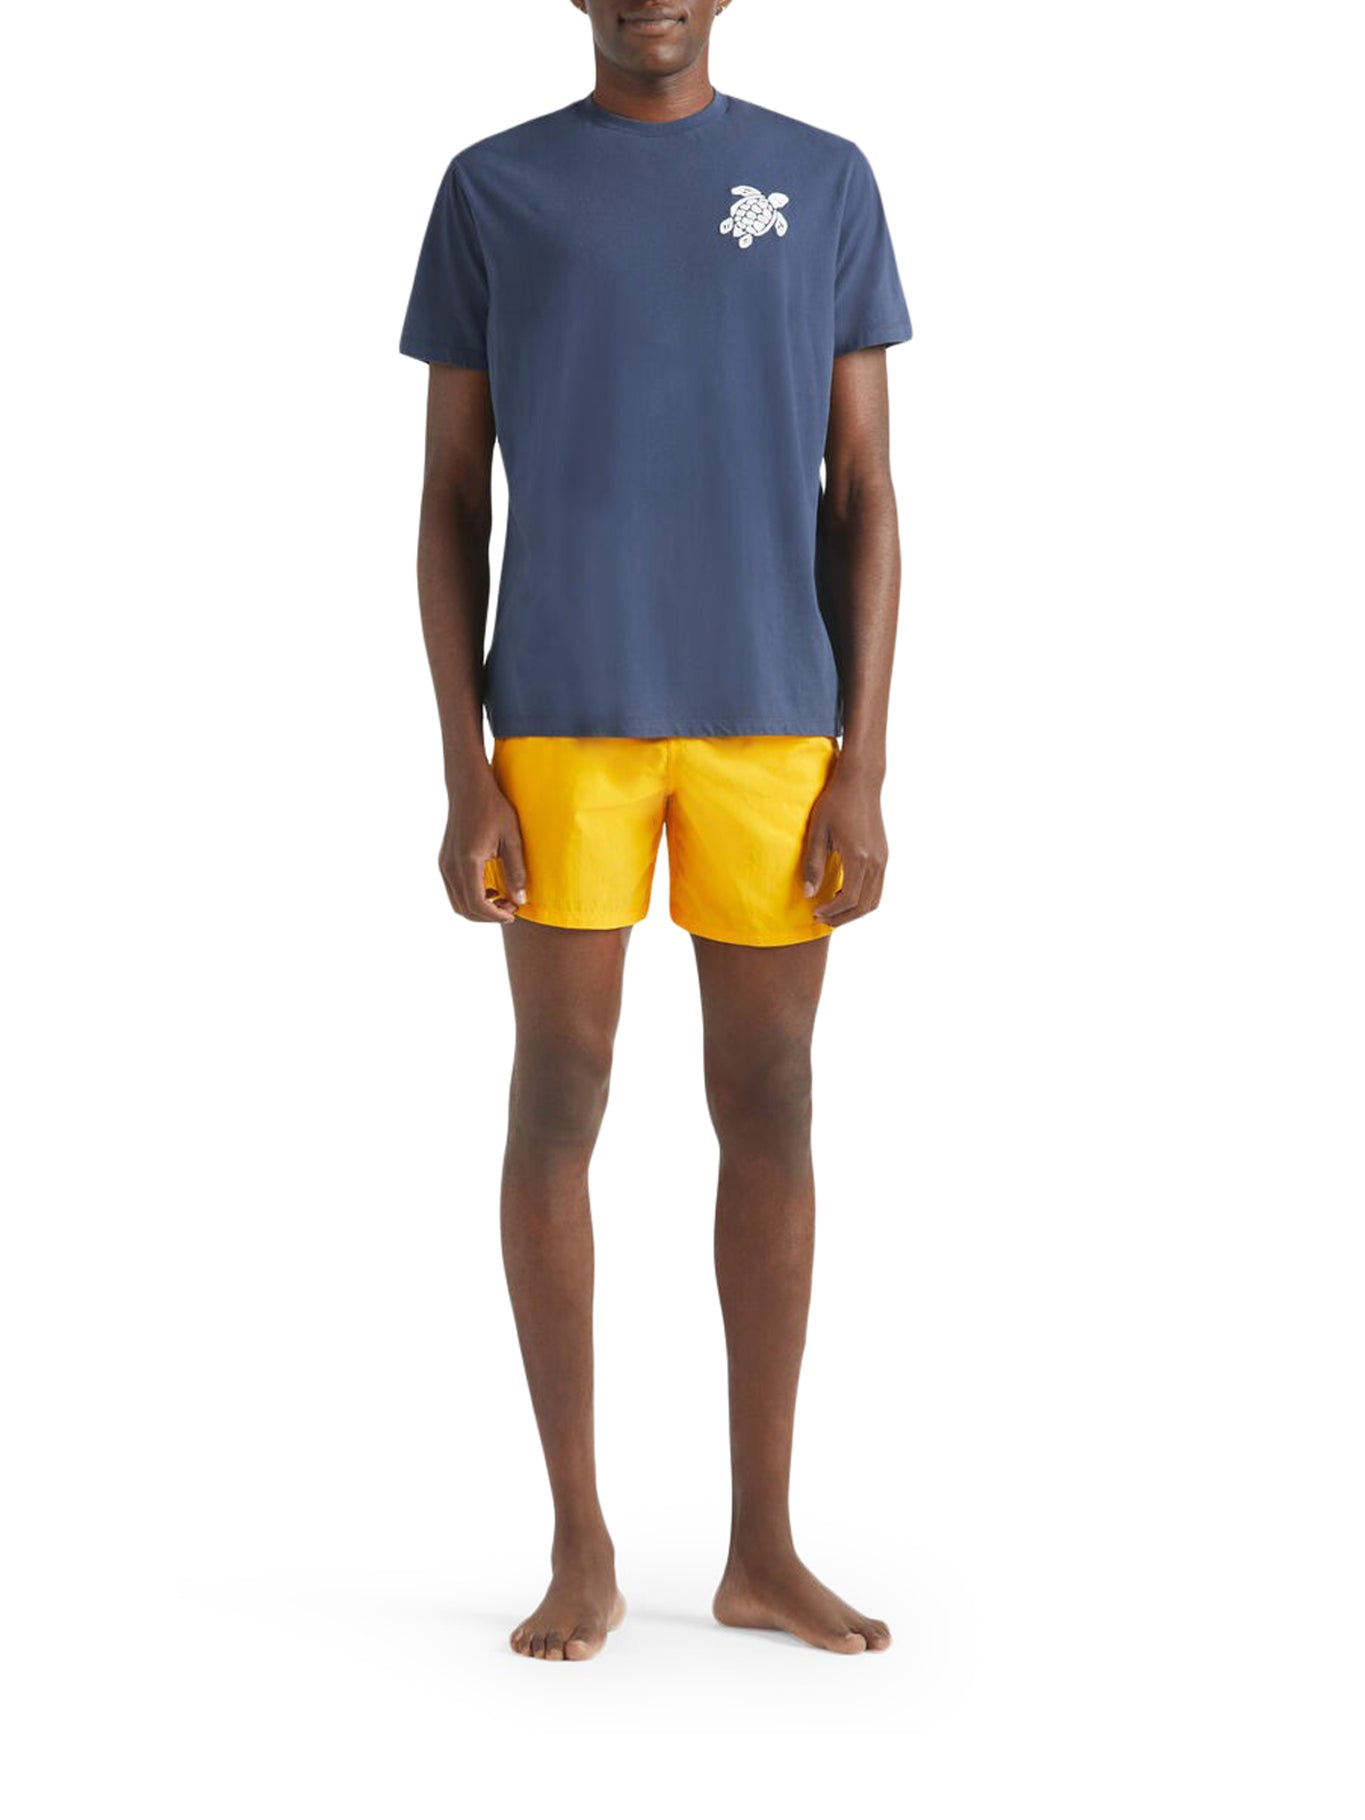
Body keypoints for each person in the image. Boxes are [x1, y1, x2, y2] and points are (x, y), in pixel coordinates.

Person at [399, 0, 912, 1662]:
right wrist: (462, 765)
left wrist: (862, 763)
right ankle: (580, 1543)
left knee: (770, 1097)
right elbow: (449, 497)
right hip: (560, 717)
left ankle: (762, 1547)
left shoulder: (820, 182)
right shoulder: (494, 188)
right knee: (559, 1095)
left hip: (772, 717)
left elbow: (864, 491)